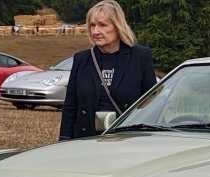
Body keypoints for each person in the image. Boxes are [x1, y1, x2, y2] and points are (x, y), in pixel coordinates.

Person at [58, 0, 156, 140]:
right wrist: (64, 139)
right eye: (92, 25)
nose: (95, 31)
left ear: (117, 26)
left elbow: (151, 104)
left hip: (127, 139)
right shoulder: (82, 59)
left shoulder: (140, 56)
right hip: (86, 139)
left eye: (103, 25)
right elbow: (70, 106)